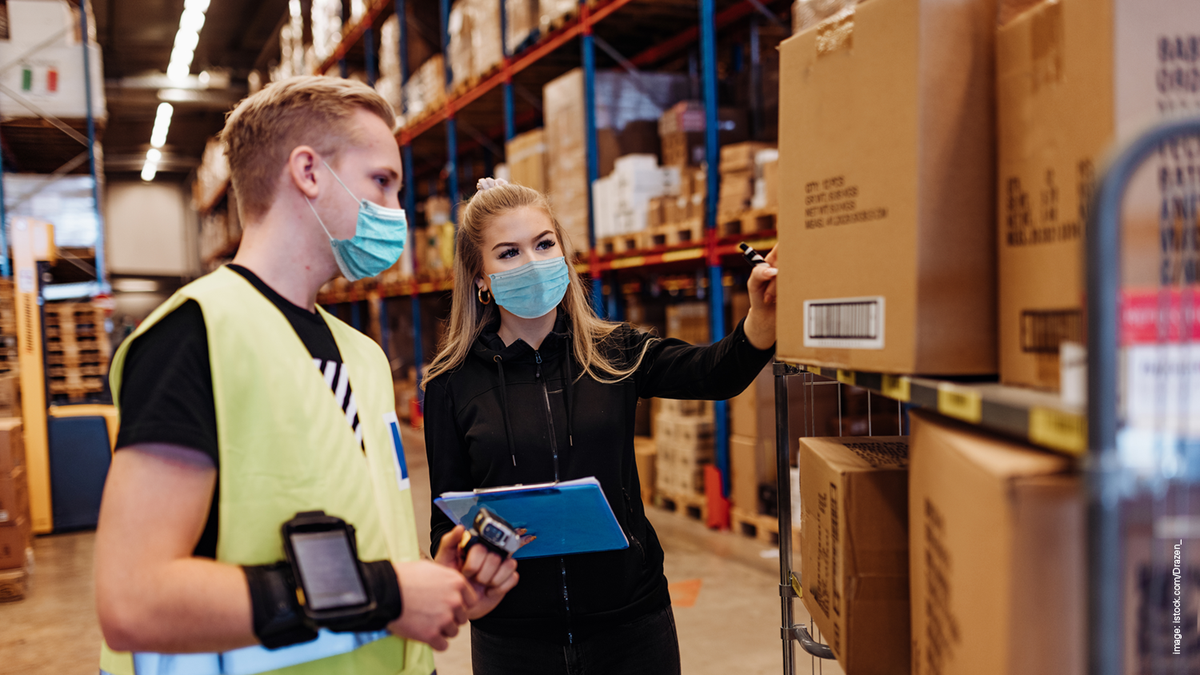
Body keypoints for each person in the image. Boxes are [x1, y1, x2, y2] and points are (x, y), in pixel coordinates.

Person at [94, 76, 517, 675]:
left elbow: (364, 543)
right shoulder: (195, 336)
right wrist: (388, 595)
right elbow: (132, 600)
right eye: (381, 182)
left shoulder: (363, 358)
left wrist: (435, 581)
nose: (395, 211)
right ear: (309, 172)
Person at [423, 178, 778, 674]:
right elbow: (448, 516)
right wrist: (474, 550)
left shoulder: (614, 353)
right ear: (480, 277)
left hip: (631, 626)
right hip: (513, 639)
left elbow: (717, 372)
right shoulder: (450, 384)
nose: (533, 262)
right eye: (509, 253)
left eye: (545, 245)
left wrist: (761, 316)